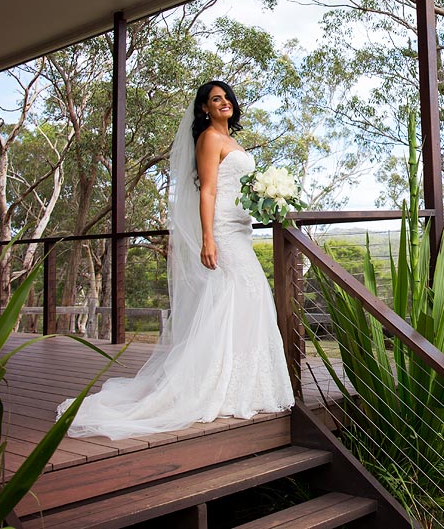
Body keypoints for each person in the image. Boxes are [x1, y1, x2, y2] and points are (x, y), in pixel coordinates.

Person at [58, 80, 295, 439]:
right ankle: (217, 386)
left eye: (226, 97)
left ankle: (245, 385)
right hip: (223, 232)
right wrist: (208, 238)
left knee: (248, 302)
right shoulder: (210, 140)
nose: (224, 102)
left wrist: (268, 200)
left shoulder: (234, 141)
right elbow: (209, 190)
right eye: (215, 99)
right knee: (242, 296)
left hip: (241, 229)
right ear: (204, 108)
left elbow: (238, 189)